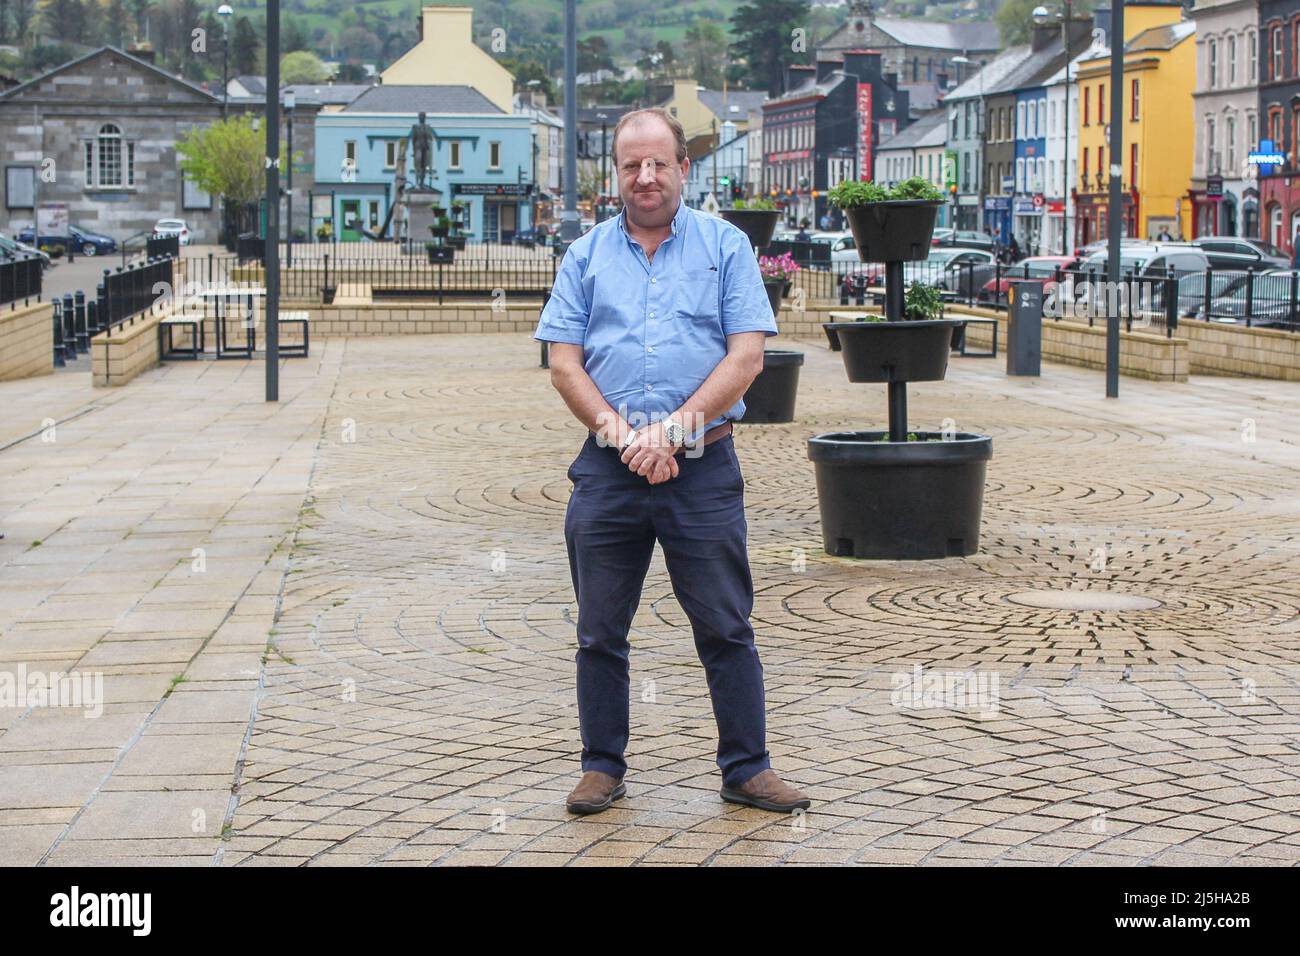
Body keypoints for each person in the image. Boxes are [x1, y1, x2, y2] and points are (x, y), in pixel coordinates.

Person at [535, 107, 811, 817]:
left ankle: (747, 769)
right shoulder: (585, 256)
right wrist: (625, 436)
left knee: (725, 626)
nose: (646, 177)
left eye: (660, 163)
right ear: (617, 174)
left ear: (685, 168)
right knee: (599, 630)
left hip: (705, 470)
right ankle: (601, 766)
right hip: (606, 469)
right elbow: (564, 364)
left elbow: (747, 356)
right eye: (633, 165)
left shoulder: (725, 248)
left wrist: (672, 434)